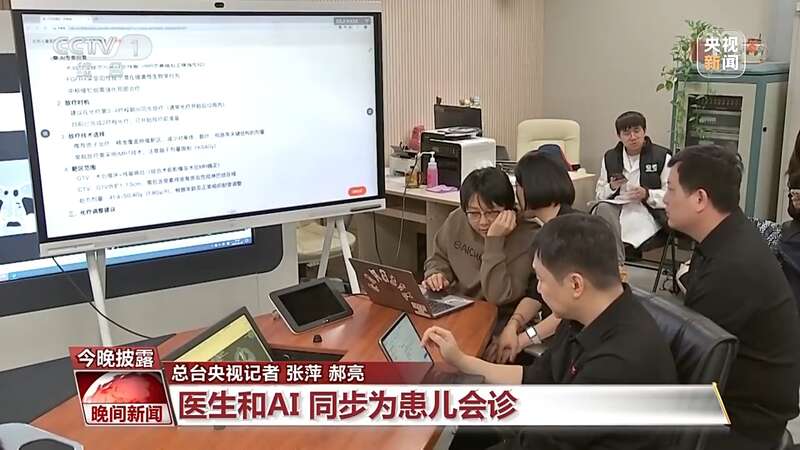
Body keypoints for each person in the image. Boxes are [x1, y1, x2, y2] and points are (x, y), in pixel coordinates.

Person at [423, 214, 678, 450]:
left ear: (575, 284)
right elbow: (537, 377)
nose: (539, 290)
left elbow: (538, 442)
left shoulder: (615, 365)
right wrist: (462, 361)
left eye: (541, 279)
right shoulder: (585, 315)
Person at [663, 144, 800, 450]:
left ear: (700, 199)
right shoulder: (726, 237)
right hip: (727, 395)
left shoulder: (732, 268)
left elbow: (689, 366)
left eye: (671, 189)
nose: (664, 199)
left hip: (741, 421)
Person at [488, 151, 578, 364]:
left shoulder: (571, 234)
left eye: (518, 186)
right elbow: (536, 293)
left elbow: (570, 311)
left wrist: (522, 339)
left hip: (576, 341)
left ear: (528, 188)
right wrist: (512, 326)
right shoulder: (549, 230)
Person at [422, 167, 538, 321]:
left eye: (491, 212)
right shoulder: (457, 219)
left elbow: (498, 297)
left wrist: (494, 240)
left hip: (500, 316)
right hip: (458, 305)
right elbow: (439, 257)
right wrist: (437, 274)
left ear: (509, 209)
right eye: (474, 213)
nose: (483, 222)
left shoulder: (528, 236)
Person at [594, 111, 671, 261]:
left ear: (644, 131)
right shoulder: (610, 157)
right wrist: (612, 187)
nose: (633, 137)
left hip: (647, 209)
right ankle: (617, 262)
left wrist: (647, 194)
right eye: (626, 133)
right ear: (619, 136)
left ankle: (617, 262)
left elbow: (672, 196)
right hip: (617, 207)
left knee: (627, 228)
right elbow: (599, 195)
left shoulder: (662, 156)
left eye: (637, 131)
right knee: (601, 209)